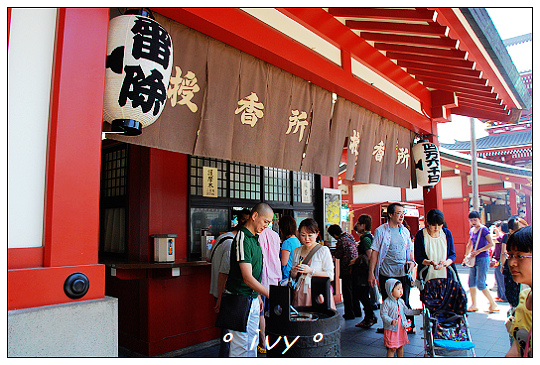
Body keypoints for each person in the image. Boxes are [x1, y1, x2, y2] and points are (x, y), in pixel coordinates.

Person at [223, 202, 274, 357]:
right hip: (239, 299)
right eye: (266, 221)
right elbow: (247, 278)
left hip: (251, 298)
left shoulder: (254, 238)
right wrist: (270, 294)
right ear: (255, 216)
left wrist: (257, 295)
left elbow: (254, 273)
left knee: (251, 341)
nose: (267, 226)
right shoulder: (242, 238)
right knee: (240, 346)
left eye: (269, 223)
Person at [368, 203, 416, 333]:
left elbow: (410, 250)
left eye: (403, 213)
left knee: (404, 300)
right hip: (387, 273)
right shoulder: (381, 230)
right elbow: (375, 253)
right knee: (388, 302)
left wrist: (411, 262)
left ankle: (408, 326)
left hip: (403, 273)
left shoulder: (405, 231)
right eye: (399, 213)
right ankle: (390, 328)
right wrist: (371, 273)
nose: (402, 216)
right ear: (390, 214)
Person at [206, 221, 242, 357]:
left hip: (216, 287)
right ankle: (225, 355)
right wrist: (221, 298)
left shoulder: (222, 237)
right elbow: (225, 273)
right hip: (225, 291)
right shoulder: (232, 244)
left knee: (225, 326)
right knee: (228, 329)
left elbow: (208, 257)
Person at [290, 218, 336, 309]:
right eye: (303, 235)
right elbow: (294, 277)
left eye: (310, 235)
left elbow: (330, 276)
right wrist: (294, 273)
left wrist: (310, 271)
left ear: (317, 234)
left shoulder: (323, 250)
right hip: (300, 291)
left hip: (318, 292)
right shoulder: (297, 251)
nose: (306, 239)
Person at [504, 226, 532, 357]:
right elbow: (515, 351)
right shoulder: (524, 296)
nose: (512, 263)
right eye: (510, 255)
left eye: (519, 256)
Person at [463, 210, 498, 313]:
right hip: (474, 258)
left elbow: (491, 244)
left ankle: (493, 304)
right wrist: (466, 256)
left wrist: (478, 251)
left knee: (480, 283)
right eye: (471, 220)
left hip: (483, 258)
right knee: (471, 282)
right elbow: (469, 244)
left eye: (475, 220)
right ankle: (474, 304)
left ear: (479, 219)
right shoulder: (472, 230)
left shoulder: (484, 230)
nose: (473, 222)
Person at [380, 279, 421, 357]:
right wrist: (391, 321)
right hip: (392, 329)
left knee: (400, 346)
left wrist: (418, 311)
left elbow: (407, 311)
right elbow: (383, 315)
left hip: (401, 329)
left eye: (401, 288)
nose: (401, 291)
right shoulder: (387, 302)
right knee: (392, 348)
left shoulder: (401, 301)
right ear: (390, 291)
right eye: (398, 289)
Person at [414, 209, 456, 283]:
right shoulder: (421, 235)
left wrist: (446, 262)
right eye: (433, 225)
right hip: (426, 276)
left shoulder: (447, 233)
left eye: (439, 225)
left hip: (446, 275)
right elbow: (418, 258)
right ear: (428, 223)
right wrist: (431, 262)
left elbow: (452, 254)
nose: (437, 228)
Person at [328, 224, 361, 319]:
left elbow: (338, 255)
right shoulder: (349, 236)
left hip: (347, 269)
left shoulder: (341, 241)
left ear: (334, 234)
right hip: (355, 268)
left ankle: (349, 314)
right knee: (354, 291)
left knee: (347, 292)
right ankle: (357, 311)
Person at [257, 227, 281, 355]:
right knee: (271, 311)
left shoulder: (256, 235)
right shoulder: (275, 235)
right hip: (274, 278)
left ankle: (262, 343)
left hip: (260, 280)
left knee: (261, 313)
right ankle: (273, 339)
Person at [352, 214, 377, 328]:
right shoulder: (367, 237)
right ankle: (369, 316)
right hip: (364, 271)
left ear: (363, 225)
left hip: (364, 272)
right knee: (362, 294)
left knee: (362, 294)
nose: (356, 225)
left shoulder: (366, 239)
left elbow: (370, 256)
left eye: (358, 223)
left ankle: (369, 317)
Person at [279, 215, 301, 280]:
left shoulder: (287, 242)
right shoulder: (297, 240)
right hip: (294, 274)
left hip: (287, 276)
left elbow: (284, 262)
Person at [491, 221, 507, 302]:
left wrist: (493, 232)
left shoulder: (503, 237)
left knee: (501, 279)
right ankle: (500, 295)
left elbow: (492, 240)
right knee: (498, 278)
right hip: (498, 259)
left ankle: (504, 296)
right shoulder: (502, 236)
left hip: (500, 260)